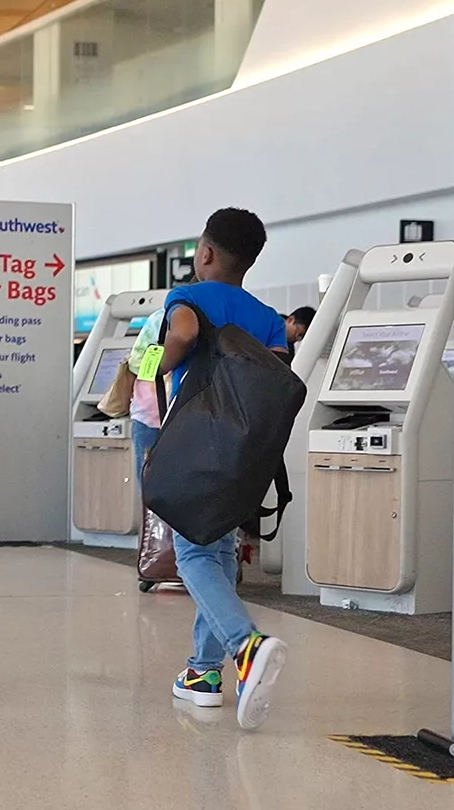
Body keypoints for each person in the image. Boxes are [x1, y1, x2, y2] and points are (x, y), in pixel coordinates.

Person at [155, 208, 290, 730]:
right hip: (246, 452)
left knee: (191, 553)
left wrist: (152, 365)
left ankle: (246, 646)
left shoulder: (188, 296)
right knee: (219, 552)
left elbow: (183, 334)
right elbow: (275, 374)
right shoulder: (268, 316)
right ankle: (203, 673)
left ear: (205, 253)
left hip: (198, 442)